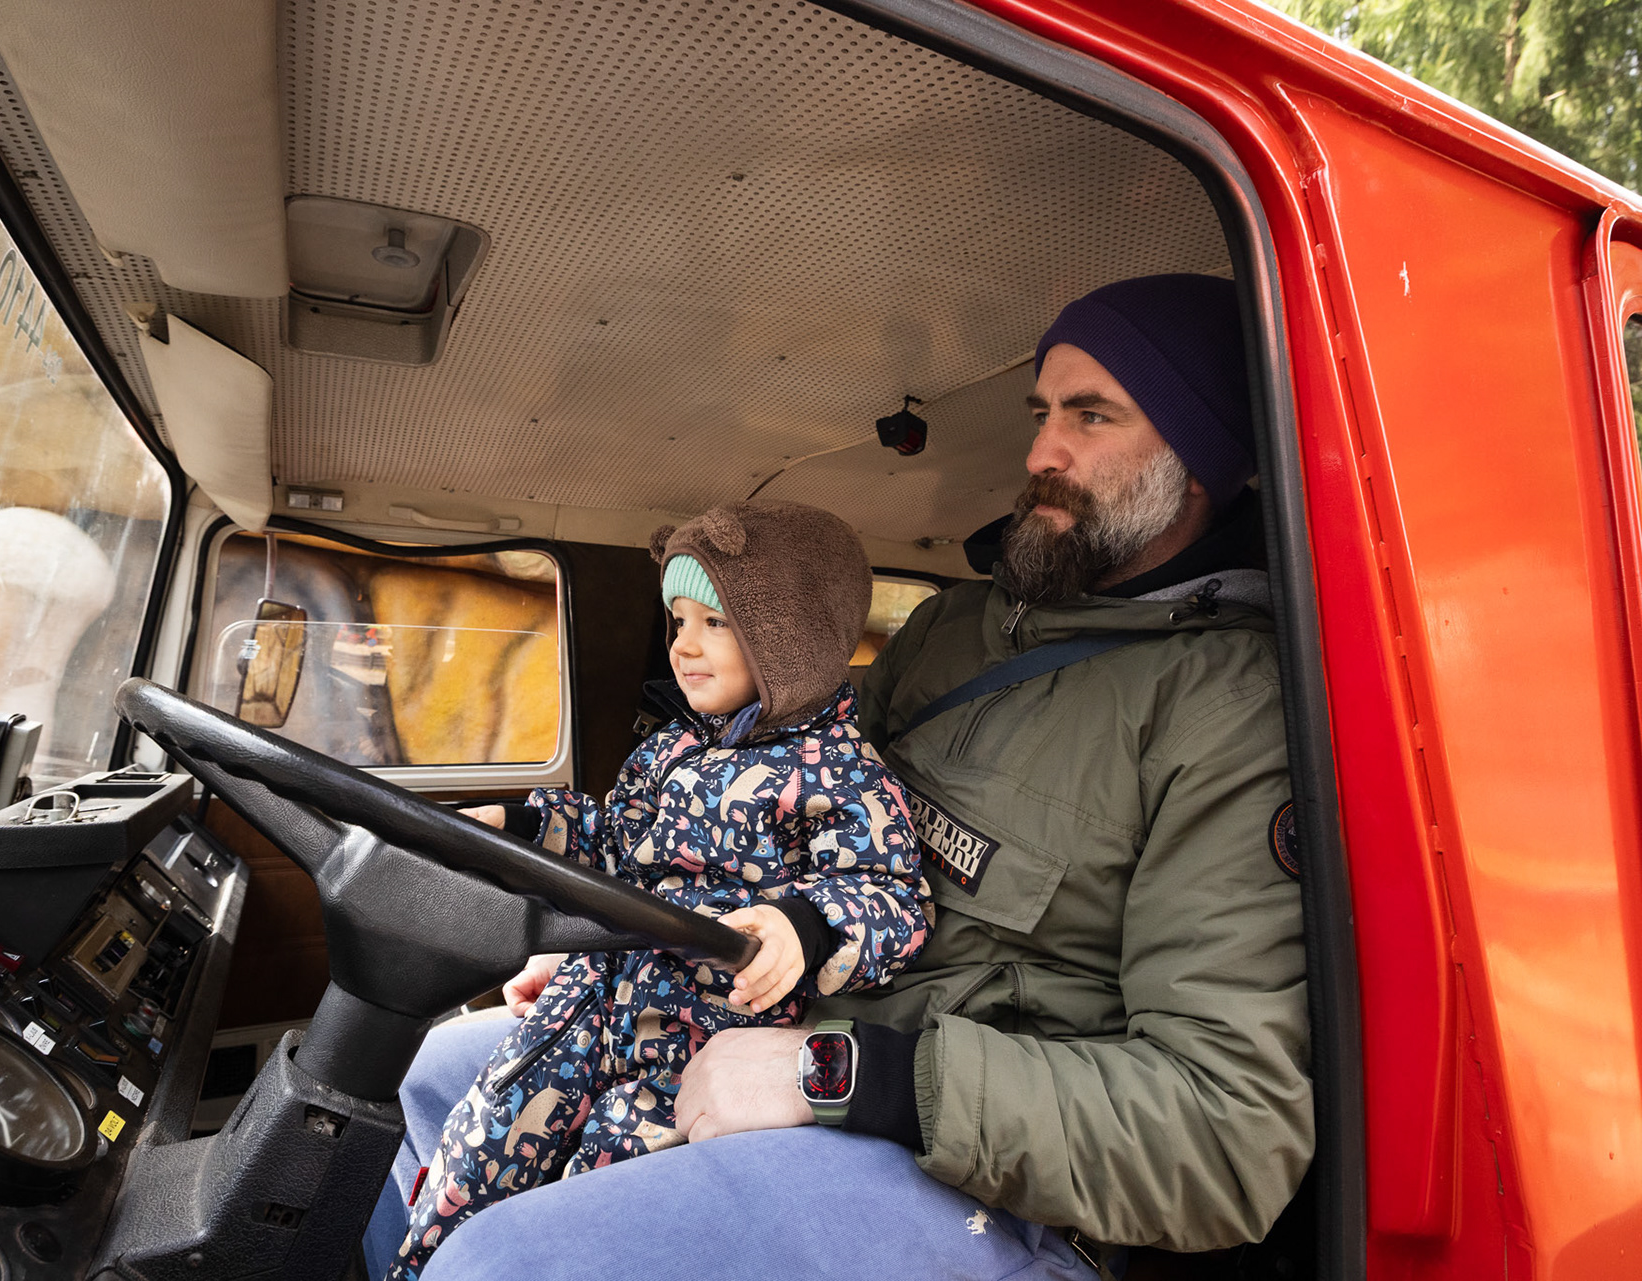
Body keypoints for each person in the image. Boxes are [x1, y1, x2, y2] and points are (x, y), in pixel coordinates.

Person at [361, 273, 1311, 1281]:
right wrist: (636, 959)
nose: (1042, 453)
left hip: (975, 1173)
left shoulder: (1229, 709)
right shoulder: (955, 631)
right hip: (779, 1019)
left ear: (1198, 457)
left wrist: (840, 1074)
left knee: (505, 1264)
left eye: (1092, 416)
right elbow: (789, 822)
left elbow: (1228, 1135)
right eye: (1042, 414)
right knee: (418, 1081)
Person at [385, 500, 934, 1279]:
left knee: (589, 1203)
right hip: (591, 997)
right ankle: (419, 1265)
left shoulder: (842, 774)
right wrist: (518, 823)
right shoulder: (670, 749)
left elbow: (887, 897)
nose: (683, 644)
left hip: (696, 1037)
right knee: (482, 1140)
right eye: (678, 620)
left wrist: (802, 925)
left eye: (714, 622)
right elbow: (613, 839)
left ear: (793, 637)